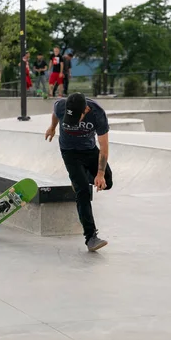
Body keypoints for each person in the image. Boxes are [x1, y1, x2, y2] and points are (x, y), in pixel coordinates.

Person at [45, 92, 113, 252]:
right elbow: (55, 114)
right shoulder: (61, 105)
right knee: (82, 190)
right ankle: (91, 237)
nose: (73, 123)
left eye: (77, 118)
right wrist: (53, 127)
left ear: (86, 110)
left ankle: (79, 179)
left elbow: (104, 147)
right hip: (69, 152)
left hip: (90, 150)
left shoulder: (97, 113)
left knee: (107, 183)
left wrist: (100, 174)